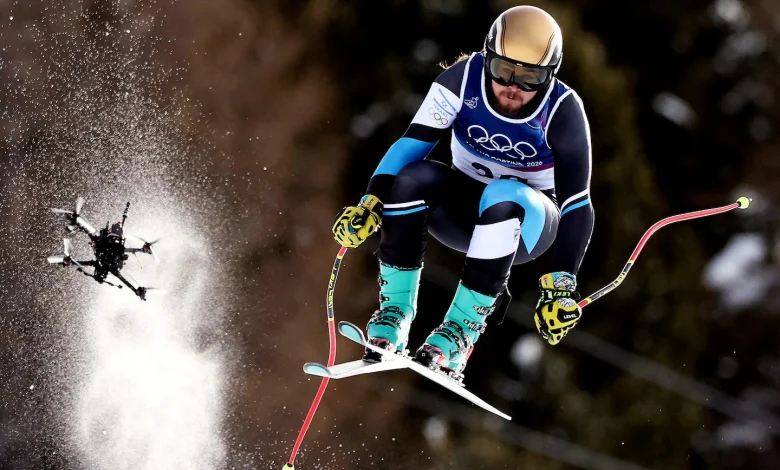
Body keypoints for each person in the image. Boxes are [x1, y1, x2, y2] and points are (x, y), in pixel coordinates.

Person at [332, 5, 594, 377]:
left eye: (530, 78)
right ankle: (394, 315)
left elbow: (577, 204)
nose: (513, 88)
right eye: (504, 71)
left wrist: (562, 285)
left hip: (527, 226)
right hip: (460, 211)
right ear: (487, 57)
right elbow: (412, 143)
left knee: (504, 194)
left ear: (550, 76)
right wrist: (371, 202)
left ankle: (459, 334)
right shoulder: (462, 80)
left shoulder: (563, 112)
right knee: (413, 178)